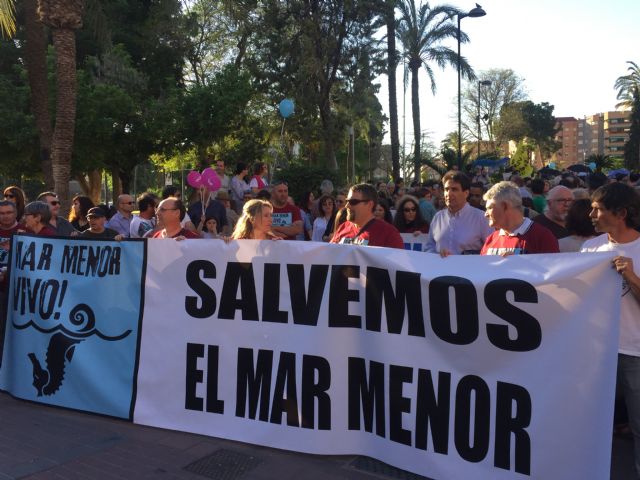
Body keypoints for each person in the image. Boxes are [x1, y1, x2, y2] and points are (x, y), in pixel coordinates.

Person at [581, 182, 640, 478]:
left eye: (598, 209)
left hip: (635, 353)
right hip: (597, 353)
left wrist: (631, 275)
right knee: (588, 424)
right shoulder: (590, 247)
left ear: (621, 214)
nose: (591, 214)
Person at [480, 182, 559, 255]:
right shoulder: (491, 239)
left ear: (505, 206)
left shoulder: (542, 237)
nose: (486, 214)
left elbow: (554, 268)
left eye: (490, 208)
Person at [425, 171, 493, 256]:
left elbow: (491, 249)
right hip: (439, 269)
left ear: (466, 193)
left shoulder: (481, 218)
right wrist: (437, 255)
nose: (449, 194)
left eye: (454, 189)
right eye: (446, 189)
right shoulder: (438, 217)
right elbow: (429, 247)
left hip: (470, 268)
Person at [330, 183, 403, 249]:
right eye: (347, 201)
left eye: (353, 202)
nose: (347, 206)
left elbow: (398, 261)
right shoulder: (343, 227)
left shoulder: (389, 234)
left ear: (369, 204)